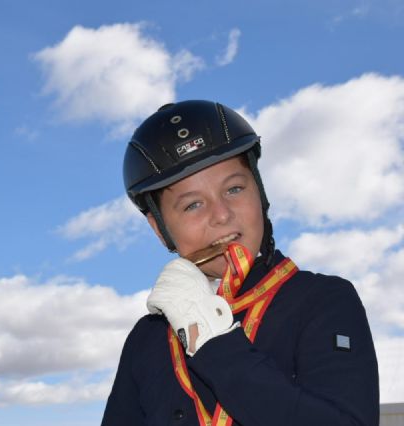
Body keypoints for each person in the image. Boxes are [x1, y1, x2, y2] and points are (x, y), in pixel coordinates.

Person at [101, 100, 379, 425]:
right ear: (160, 229)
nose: (221, 215)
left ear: (259, 193)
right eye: (192, 205)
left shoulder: (325, 300)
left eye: (234, 189)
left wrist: (212, 341)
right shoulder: (146, 339)